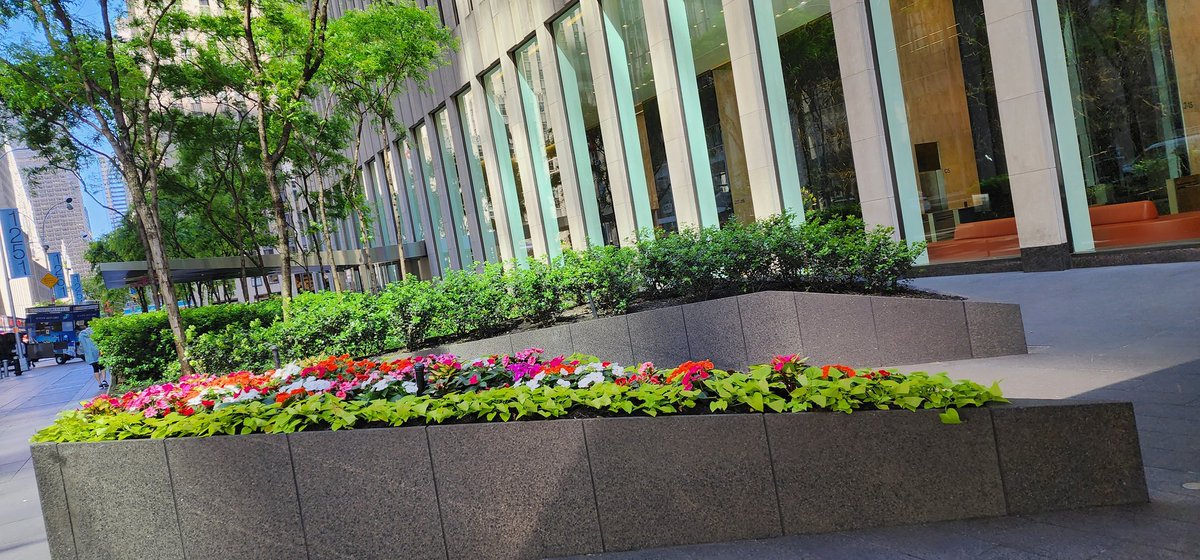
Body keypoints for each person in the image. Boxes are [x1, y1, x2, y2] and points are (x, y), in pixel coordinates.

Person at [77, 323, 106, 390]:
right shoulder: (95, 331)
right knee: (102, 366)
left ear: (85, 325)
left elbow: (81, 346)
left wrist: (83, 351)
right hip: (98, 352)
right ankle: (104, 380)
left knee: (95, 368)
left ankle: (100, 384)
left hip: (89, 354)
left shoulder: (81, 335)